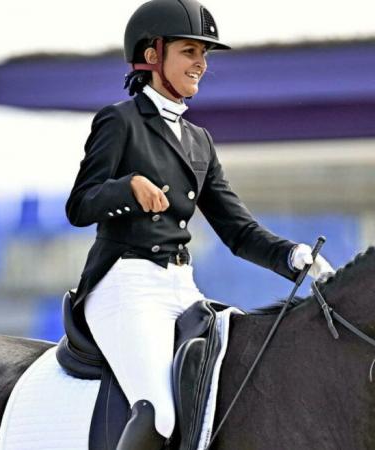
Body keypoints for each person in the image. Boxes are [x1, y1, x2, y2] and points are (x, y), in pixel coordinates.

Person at [65, 0, 334, 448]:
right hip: (124, 285)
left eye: (204, 55)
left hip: (181, 286)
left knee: (233, 399)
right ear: (153, 55)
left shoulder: (198, 140)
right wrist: (128, 186)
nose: (201, 64)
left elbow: (237, 229)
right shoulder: (120, 121)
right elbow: (80, 205)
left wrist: (291, 256)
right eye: (190, 51)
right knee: (159, 416)